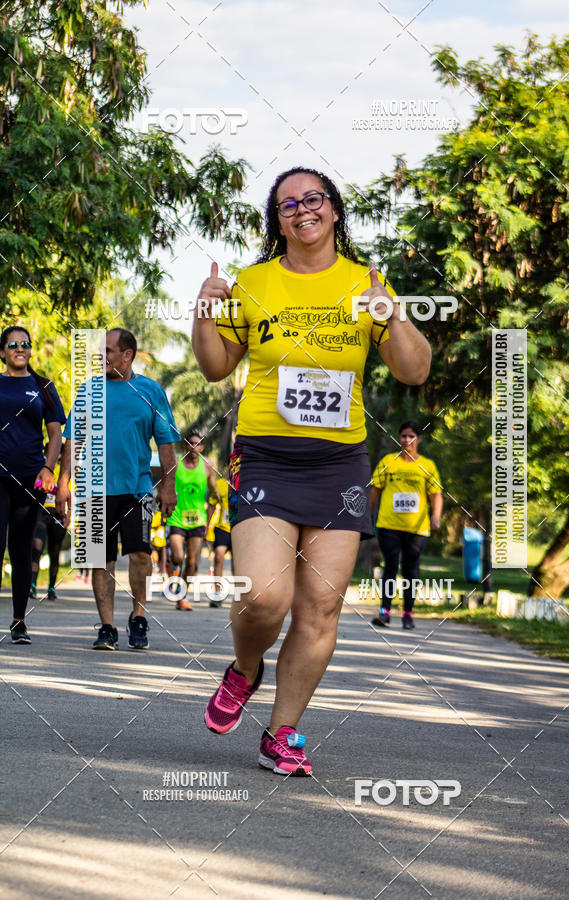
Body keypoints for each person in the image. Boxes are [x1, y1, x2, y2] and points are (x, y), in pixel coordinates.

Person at [192, 166, 431, 775]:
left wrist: (393, 314)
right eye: (288, 204)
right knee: (266, 598)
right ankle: (246, 668)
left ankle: (282, 732)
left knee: (321, 606)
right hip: (268, 454)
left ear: (334, 209)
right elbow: (217, 366)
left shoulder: (364, 284)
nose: (303, 210)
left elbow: (414, 371)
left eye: (314, 199)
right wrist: (203, 310)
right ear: (278, 221)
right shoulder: (254, 283)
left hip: (338, 463)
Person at [56, 328, 179, 650]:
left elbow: (166, 444)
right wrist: (64, 484)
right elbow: (73, 441)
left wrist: (169, 487)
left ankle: (138, 616)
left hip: (136, 487)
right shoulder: (88, 391)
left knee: (140, 553)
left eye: (109, 351)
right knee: (99, 559)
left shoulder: (150, 391)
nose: (102, 357)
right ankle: (107, 626)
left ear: (128, 355)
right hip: (95, 489)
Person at [0, 325, 66, 643]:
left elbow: (55, 435)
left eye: (25, 343)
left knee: (22, 550)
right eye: (13, 344)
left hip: (30, 479)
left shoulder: (44, 387)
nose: (19, 348)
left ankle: (18, 622)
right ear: (2, 352)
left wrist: (48, 468)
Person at [370, 420, 443, 629]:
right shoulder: (388, 461)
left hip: (417, 528)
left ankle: (408, 614)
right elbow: (374, 489)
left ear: (418, 439)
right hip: (388, 524)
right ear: (398, 438)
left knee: (411, 570)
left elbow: (436, 494)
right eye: (403, 436)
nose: (407, 440)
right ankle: (384, 612)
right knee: (390, 567)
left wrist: (436, 516)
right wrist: (365, 514)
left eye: (411, 436)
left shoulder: (427, 466)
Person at [166, 433, 216, 610]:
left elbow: (213, 491)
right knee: (178, 556)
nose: (194, 447)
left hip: (198, 520)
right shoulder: (176, 463)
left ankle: (182, 595)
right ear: (186, 446)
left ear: (202, 447)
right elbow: (166, 483)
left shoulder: (207, 466)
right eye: (191, 444)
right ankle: (171, 566)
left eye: (198, 444)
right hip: (177, 518)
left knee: (192, 562)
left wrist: (216, 497)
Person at [30, 446, 67, 601]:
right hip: (41, 512)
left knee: (55, 552)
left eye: (60, 452)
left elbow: (72, 494)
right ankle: (32, 585)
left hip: (58, 514)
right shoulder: (41, 467)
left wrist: (69, 515)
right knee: (36, 548)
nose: (57, 455)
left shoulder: (66, 473)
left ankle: (51, 587)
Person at [208, 473, 233, 608]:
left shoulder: (247, 484)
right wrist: (206, 526)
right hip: (222, 528)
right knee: (219, 557)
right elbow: (212, 505)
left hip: (239, 528)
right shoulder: (221, 484)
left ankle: (242, 596)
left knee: (239, 564)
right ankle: (217, 593)